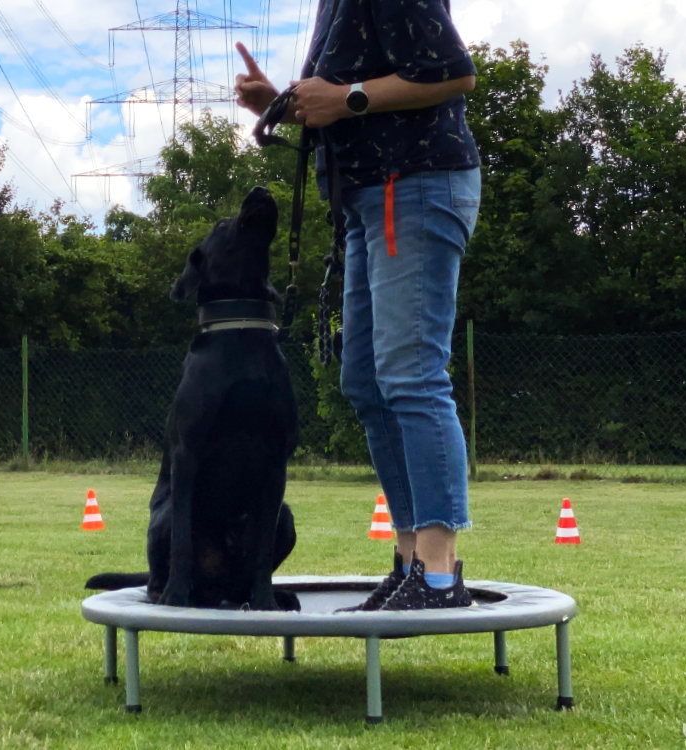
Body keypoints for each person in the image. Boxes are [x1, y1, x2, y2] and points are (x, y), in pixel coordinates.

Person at [234, 0, 481, 610]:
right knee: (367, 381)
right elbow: (340, 97)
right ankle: (409, 561)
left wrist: (348, 99)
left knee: (412, 375)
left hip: (415, 185)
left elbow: (453, 72)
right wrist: (282, 104)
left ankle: (440, 573)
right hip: (367, 198)